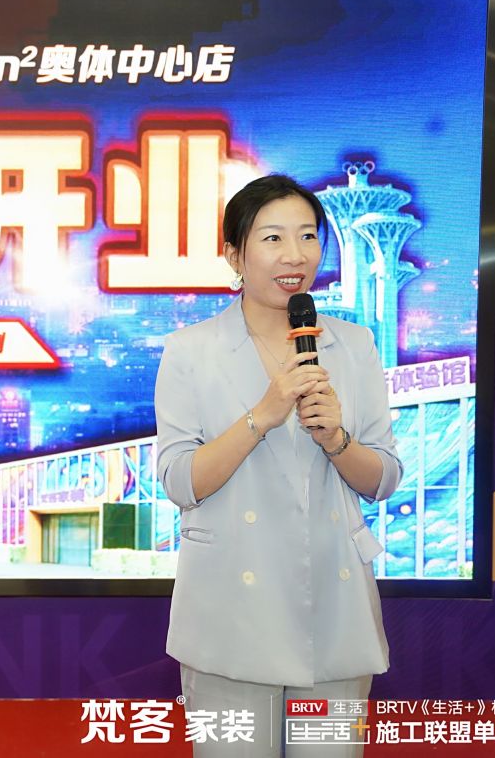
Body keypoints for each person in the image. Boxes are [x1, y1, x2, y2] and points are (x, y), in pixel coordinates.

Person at [154, 174, 402, 757]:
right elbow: (180, 481)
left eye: (308, 236)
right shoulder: (191, 350)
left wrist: (336, 438)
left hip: (333, 608)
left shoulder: (354, 345)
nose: (295, 255)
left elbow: (384, 478)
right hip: (230, 613)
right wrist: (262, 415)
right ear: (234, 255)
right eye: (272, 238)